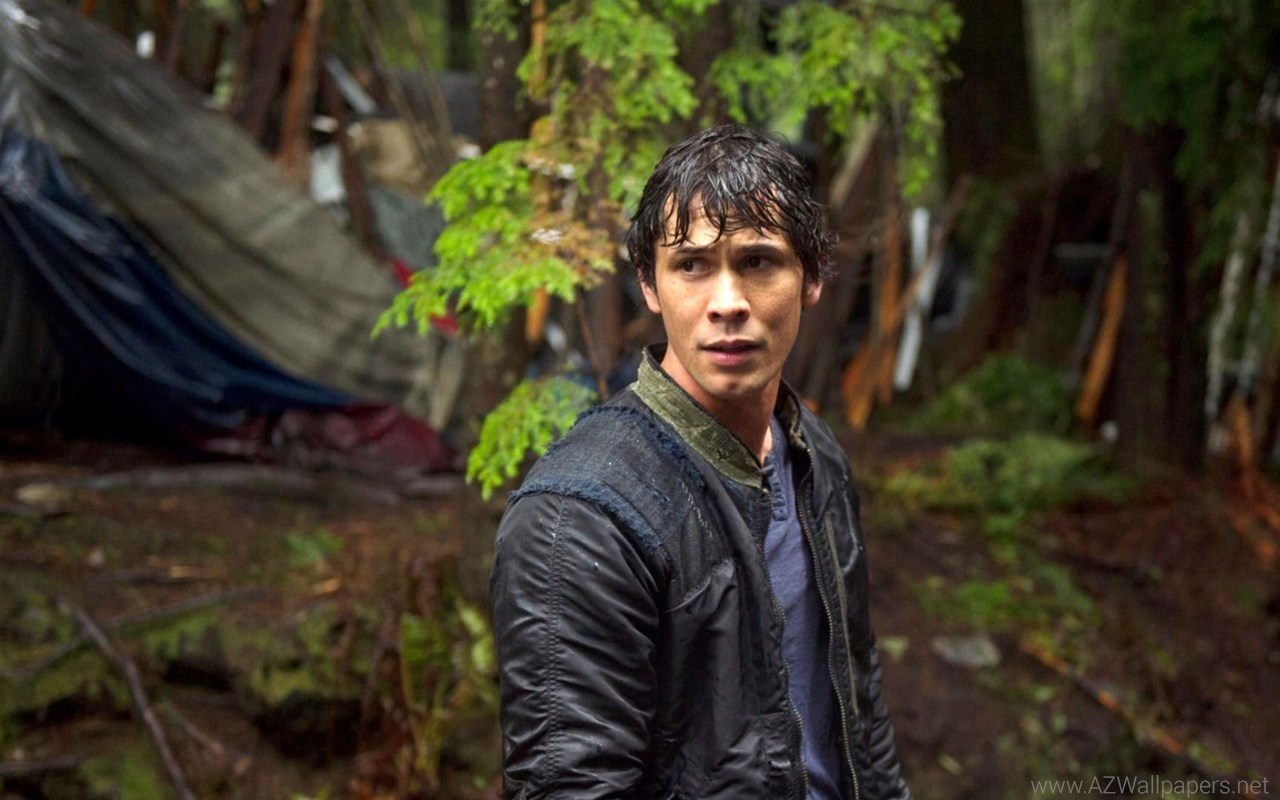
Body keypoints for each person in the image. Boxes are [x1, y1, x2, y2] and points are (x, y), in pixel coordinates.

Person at [490, 124, 911, 800]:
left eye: (758, 261)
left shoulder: (814, 452)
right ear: (649, 286)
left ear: (812, 278)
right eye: (691, 265)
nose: (727, 303)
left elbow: (857, 704)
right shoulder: (578, 521)